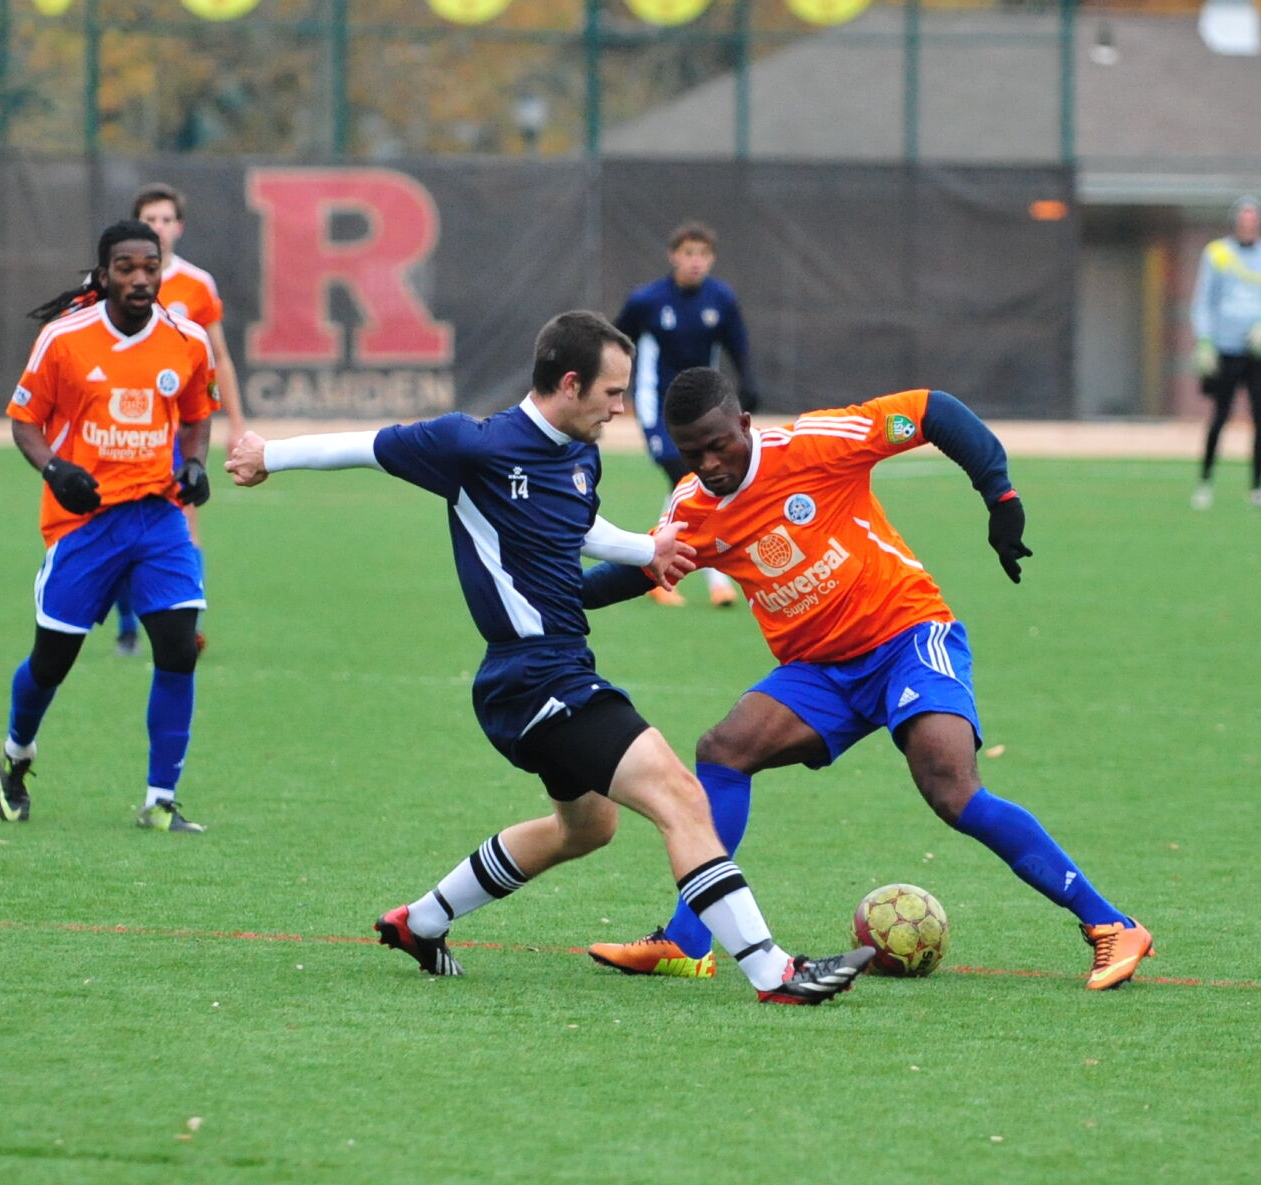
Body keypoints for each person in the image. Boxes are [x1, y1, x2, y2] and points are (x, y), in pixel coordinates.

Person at [224, 310, 873, 1004]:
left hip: (552, 671)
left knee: (587, 827)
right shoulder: (469, 445)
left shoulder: (578, 453)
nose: (621, 409)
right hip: (532, 674)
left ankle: (421, 921)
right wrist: (269, 455)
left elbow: (576, 522)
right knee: (681, 795)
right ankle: (772, 971)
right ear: (570, 383)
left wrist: (644, 550)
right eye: (611, 393)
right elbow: (367, 445)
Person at [581, 367, 1155, 991]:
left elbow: (934, 410)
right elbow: (641, 573)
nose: (710, 462)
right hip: (820, 672)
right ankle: (687, 943)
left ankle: (1110, 924)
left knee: (949, 787)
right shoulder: (692, 507)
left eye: (719, 443)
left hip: (908, 636)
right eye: (692, 453)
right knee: (724, 750)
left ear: (744, 422)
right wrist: (552, 596)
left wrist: (1001, 497)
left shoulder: (815, 445)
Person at [0, 220, 218, 834]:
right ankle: (16, 755)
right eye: (126, 267)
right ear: (103, 274)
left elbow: (197, 415)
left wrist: (194, 463)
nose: (141, 278)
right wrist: (55, 469)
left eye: (150, 266)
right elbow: (24, 422)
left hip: (157, 518)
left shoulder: (187, 340)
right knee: (51, 663)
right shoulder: (63, 340)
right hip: (83, 523)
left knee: (177, 648)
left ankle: (160, 800)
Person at [107, 182, 246, 655]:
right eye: (151, 220)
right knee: (122, 524)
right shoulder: (113, 283)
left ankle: (190, 622)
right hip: (123, 428)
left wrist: (237, 423)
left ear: (179, 227)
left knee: (186, 520)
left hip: (178, 427)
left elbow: (218, 358)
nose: (159, 228)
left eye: (167, 220)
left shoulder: (196, 285)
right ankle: (126, 621)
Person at [614, 222, 756, 608]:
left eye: (703, 255)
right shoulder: (647, 301)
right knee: (690, 480)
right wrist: (613, 389)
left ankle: (671, 573)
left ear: (711, 259)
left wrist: (748, 385)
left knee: (694, 484)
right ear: (673, 255)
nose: (695, 262)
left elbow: (738, 345)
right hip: (655, 406)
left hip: (702, 409)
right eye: (688, 253)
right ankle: (704, 578)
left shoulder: (721, 299)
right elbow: (615, 341)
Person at [1190, 196, 1261, 511]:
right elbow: (1204, 299)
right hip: (1225, 348)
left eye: (1253, 220)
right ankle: (1205, 483)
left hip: (1258, 351)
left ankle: (1258, 488)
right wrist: (1205, 340)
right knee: (1220, 416)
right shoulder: (1217, 253)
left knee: (1260, 418)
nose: (1248, 225)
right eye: (1243, 220)